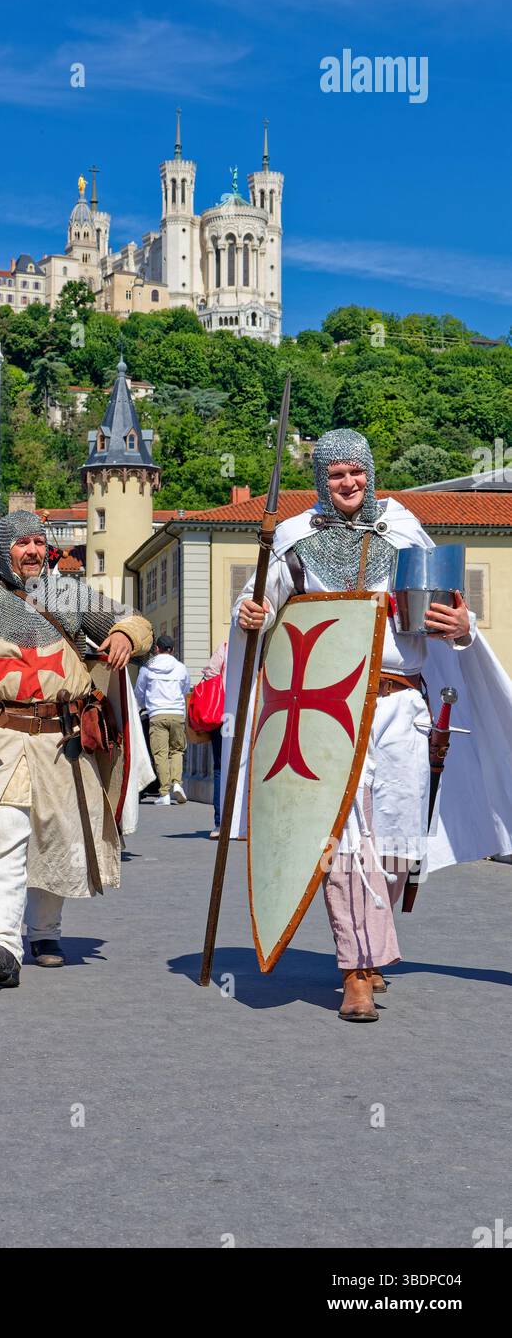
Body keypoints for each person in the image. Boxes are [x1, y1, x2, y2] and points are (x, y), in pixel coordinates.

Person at [228, 428, 512, 1022]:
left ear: (371, 474)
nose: (349, 483)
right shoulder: (294, 540)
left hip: (401, 705)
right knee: (345, 841)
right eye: (336, 474)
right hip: (327, 712)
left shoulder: (404, 530)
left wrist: (462, 625)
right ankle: (355, 969)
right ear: (321, 480)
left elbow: (449, 612)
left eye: (357, 472)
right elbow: (261, 608)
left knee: (396, 840)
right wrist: (249, 614)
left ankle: (372, 948)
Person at [0, 509, 153, 988]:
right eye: (22, 543)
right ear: (5, 550)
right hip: (2, 740)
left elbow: (133, 619)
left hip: (62, 740)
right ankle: (2, 942)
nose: (32, 551)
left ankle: (45, 932)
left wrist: (126, 634)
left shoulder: (66, 594)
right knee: (5, 835)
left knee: (56, 836)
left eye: (38, 543)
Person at [134, 635, 191, 806]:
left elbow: (139, 693)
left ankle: (164, 792)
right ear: (172, 650)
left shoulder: (147, 668)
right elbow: (185, 689)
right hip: (177, 714)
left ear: (156, 649)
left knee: (160, 754)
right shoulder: (181, 668)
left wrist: (145, 705)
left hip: (157, 714)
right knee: (177, 751)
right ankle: (177, 784)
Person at [200, 638, 227, 838]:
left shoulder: (226, 647)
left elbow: (210, 672)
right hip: (250, 717)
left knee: (220, 767)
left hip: (224, 715)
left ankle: (220, 823)